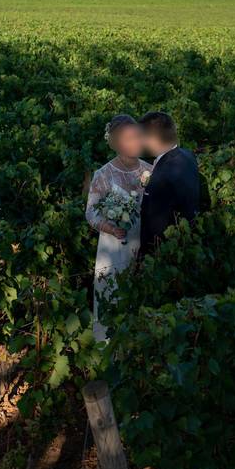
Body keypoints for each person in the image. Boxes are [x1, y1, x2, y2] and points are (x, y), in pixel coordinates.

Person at [85, 115, 152, 342]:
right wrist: (111, 228)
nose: (135, 142)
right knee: (112, 292)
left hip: (143, 242)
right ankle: (110, 345)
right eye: (129, 138)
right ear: (116, 143)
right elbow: (91, 212)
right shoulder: (103, 175)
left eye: (137, 136)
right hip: (114, 247)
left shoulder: (150, 170)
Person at [138, 111, 200, 256]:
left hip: (166, 252)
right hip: (186, 239)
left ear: (152, 139)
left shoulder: (160, 178)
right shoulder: (187, 155)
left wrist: (144, 257)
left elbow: (154, 228)